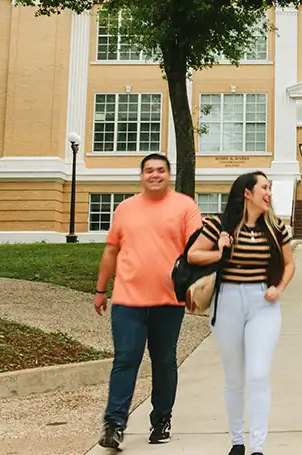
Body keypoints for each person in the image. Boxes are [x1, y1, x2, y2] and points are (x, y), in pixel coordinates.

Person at [93, 153, 202, 450]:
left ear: (169, 175)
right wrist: (101, 290)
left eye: (161, 170)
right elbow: (111, 252)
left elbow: (196, 251)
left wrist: (191, 286)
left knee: (164, 361)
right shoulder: (126, 208)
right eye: (149, 170)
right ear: (141, 176)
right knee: (126, 359)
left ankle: (161, 420)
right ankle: (114, 424)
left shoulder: (185, 206)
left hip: (168, 301)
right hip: (128, 300)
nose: (155, 175)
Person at [187, 171, 295, 455]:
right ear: (247, 193)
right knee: (234, 378)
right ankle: (237, 442)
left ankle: (258, 447)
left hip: (263, 303)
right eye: (264, 188)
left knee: (258, 375)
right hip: (228, 301)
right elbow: (193, 255)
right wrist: (219, 252)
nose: (269, 193)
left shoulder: (275, 227)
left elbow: (289, 263)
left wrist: (279, 287)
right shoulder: (219, 226)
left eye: (270, 188)